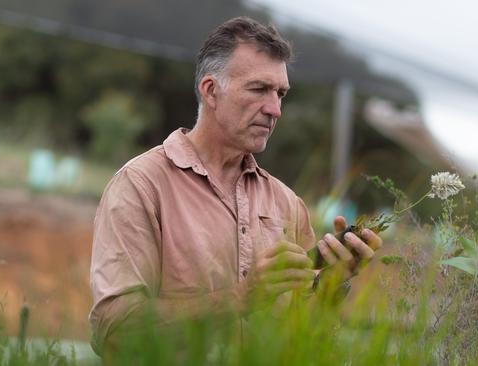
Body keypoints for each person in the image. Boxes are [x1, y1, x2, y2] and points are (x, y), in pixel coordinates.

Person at [89, 16, 382, 355]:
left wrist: (331, 286)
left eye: (280, 94)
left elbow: (302, 347)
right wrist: (243, 297)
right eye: (259, 89)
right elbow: (113, 330)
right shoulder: (141, 185)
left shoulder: (287, 204)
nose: (274, 109)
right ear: (211, 91)